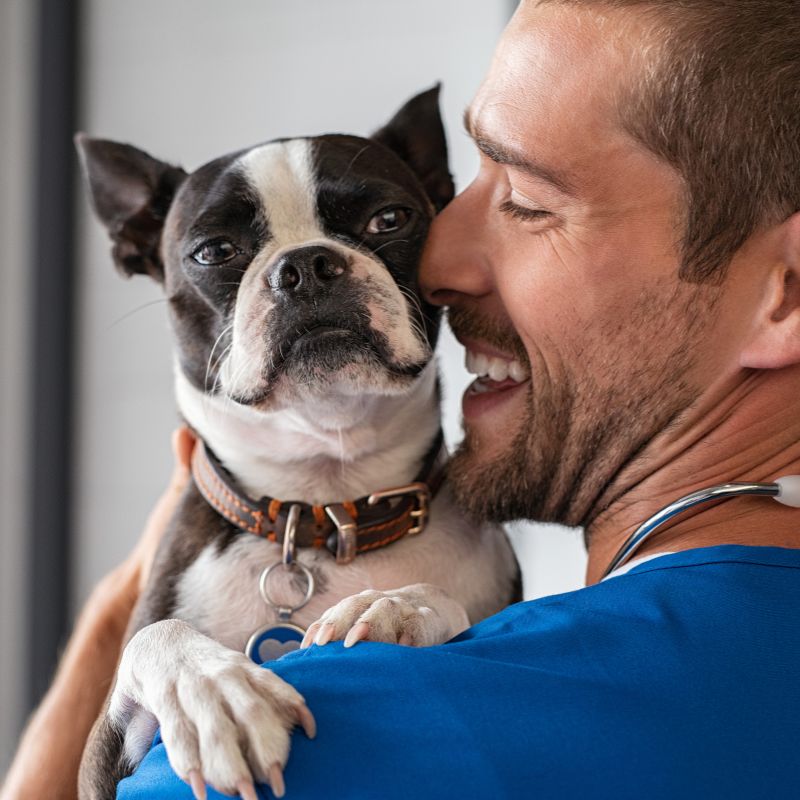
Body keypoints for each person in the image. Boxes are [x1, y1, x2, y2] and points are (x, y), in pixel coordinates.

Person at [5, 0, 800, 797]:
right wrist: (125, 622)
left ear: (787, 292)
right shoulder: (709, 655)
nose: (439, 260)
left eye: (528, 201)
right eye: (219, 252)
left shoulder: (306, 742)